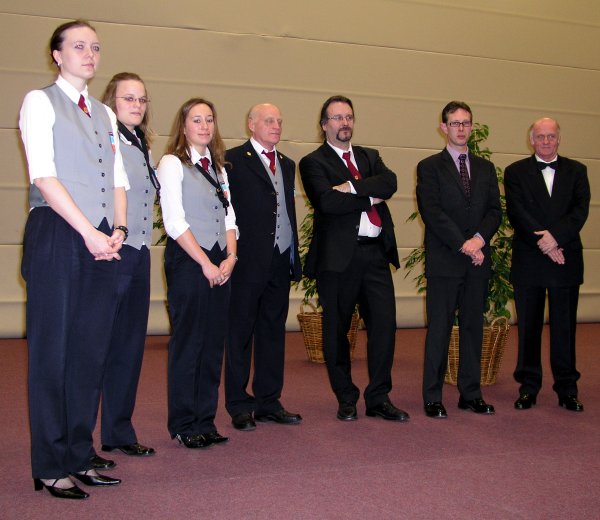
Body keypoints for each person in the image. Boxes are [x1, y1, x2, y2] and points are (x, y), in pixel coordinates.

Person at [19, 19, 126, 499]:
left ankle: (79, 453)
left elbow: (118, 179)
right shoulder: (39, 101)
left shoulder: (105, 113)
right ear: (57, 55)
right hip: (59, 235)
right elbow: (44, 176)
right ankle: (48, 465)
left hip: (102, 239)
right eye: (79, 46)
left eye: (95, 47)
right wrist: (88, 232)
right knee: (53, 353)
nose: (89, 54)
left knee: (89, 352)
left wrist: (117, 230)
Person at [299, 95, 408, 422]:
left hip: (375, 255)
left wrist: (350, 187)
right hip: (338, 260)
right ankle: (346, 397)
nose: (344, 123)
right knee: (336, 332)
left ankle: (379, 398)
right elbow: (327, 203)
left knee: (384, 327)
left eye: (348, 117)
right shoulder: (313, 162)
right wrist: (370, 196)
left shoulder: (369, 156)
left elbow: (390, 183)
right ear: (324, 125)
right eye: (337, 118)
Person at [157, 98, 238, 448]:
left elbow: (230, 217)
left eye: (209, 120)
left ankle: (206, 420)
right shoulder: (172, 163)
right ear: (183, 126)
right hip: (190, 260)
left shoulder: (218, 168)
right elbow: (174, 221)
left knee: (213, 344)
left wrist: (231, 257)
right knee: (189, 344)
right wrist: (205, 263)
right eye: (196, 120)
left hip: (220, 259)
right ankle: (183, 424)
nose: (204, 126)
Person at [416, 101, 501, 419]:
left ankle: (471, 394)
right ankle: (432, 397)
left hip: (477, 260)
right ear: (444, 127)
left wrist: (479, 240)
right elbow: (432, 211)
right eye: (455, 123)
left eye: (466, 123)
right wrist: (464, 244)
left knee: (472, 327)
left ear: (472, 127)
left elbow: (495, 210)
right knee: (439, 329)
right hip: (445, 260)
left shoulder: (486, 168)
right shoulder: (429, 167)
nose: (461, 128)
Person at [224, 103, 302, 431]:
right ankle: (239, 404)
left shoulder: (286, 163)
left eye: (279, 121)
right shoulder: (231, 160)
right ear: (251, 124)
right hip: (247, 261)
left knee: (272, 332)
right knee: (240, 333)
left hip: (279, 258)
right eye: (269, 121)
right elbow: (225, 212)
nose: (276, 126)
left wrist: (293, 253)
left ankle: (269, 401)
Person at [504, 117, 590, 412]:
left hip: (566, 257)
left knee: (565, 328)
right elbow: (517, 212)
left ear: (559, 139)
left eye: (551, 136)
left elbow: (580, 211)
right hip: (530, 258)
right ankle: (528, 387)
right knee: (528, 328)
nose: (545, 141)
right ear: (531, 139)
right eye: (540, 136)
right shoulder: (515, 172)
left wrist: (555, 239)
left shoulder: (578, 171)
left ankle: (567, 388)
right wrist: (545, 243)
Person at [98, 72, 159, 457]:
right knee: (98, 346)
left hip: (139, 252)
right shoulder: (105, 140)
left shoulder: (141, 144)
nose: (137, 105)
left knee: (129, 346)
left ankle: (118, 432)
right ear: (111, 101)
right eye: (128, 98)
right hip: (112, 251)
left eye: (141, 99)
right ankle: (78, 441)